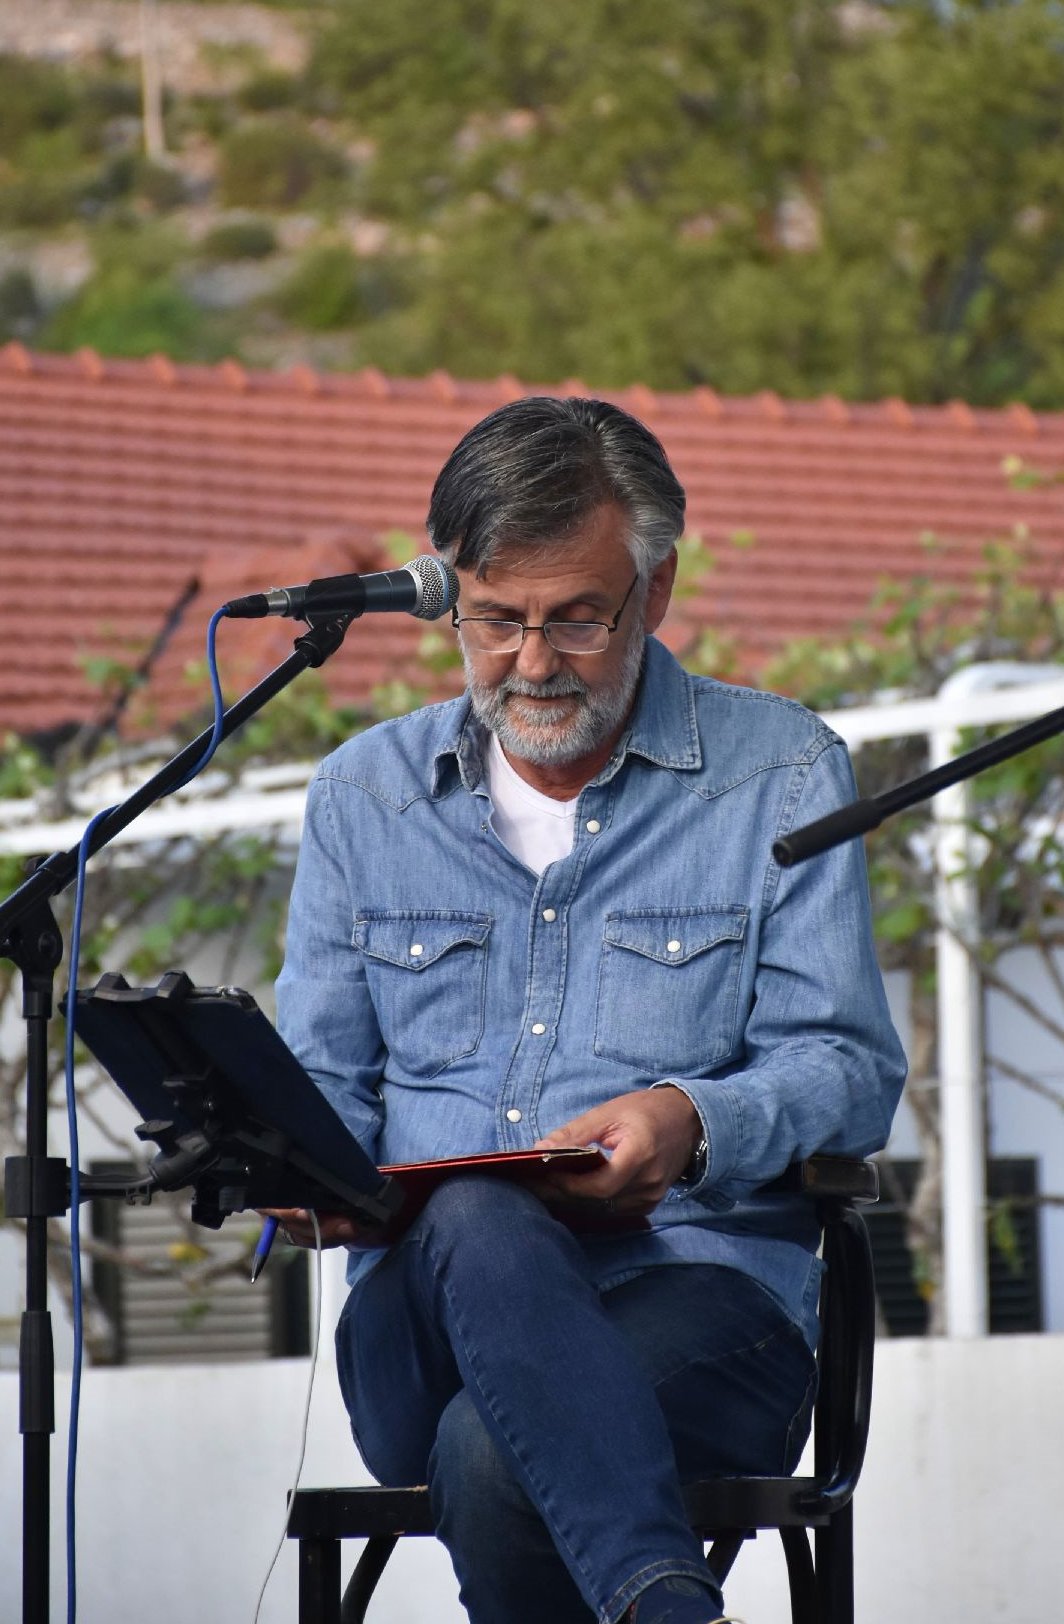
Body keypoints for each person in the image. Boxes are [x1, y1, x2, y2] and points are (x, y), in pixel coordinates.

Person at [268, 397, 906, 1624]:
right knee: (472, 1215)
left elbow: (845, 1065)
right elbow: (324, 1085)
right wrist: (291, 1168)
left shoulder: (779, 774)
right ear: (448, 597)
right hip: (420, 1327)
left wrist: (688, 1119)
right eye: (493, 619)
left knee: (489, 1452)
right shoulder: (363, 797)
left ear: (654, 591)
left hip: (700, 1301)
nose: (531, 662)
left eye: (575, 617)